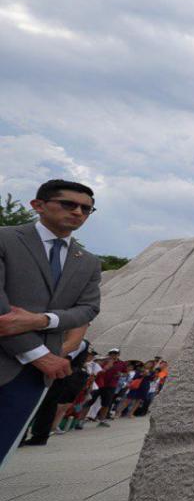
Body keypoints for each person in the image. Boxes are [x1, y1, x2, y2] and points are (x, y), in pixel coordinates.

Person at [0, 179, 102, 469]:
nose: (78, 212)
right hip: (28, 359)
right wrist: (39, 354)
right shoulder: (5, 239)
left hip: (32, 377)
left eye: (86, 209)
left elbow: (88, 308)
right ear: (38, 205)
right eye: (68, 204)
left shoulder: (88, 262)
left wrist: (44, 320)